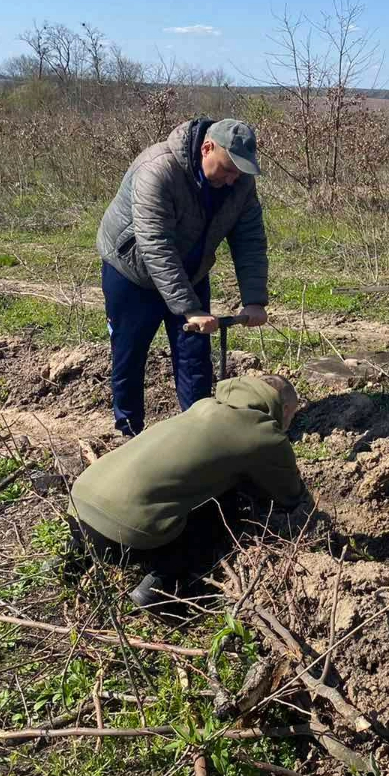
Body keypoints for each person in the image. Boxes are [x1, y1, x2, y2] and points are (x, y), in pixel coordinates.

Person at [66, 374, 304, 617]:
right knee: (222, 507)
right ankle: (160, 587)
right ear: (285, 409)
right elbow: (289, 496)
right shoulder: (266, 434)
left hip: (79, 507)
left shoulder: (204, 405)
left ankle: (70, 561)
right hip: (124, 538)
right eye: (292, 415)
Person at [96, 117, 271, 436]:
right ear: (207, 148)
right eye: (228, 169)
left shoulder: (240, 182)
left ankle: (198, 434)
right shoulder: (158, 170)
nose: (233, 179)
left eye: (240, 172)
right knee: (130, 354)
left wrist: (254, 300)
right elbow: (155, 245)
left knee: (194, 359)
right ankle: (129, 432)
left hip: (191, 271)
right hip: (132, 272)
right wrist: (189, 308)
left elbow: (250, 240)